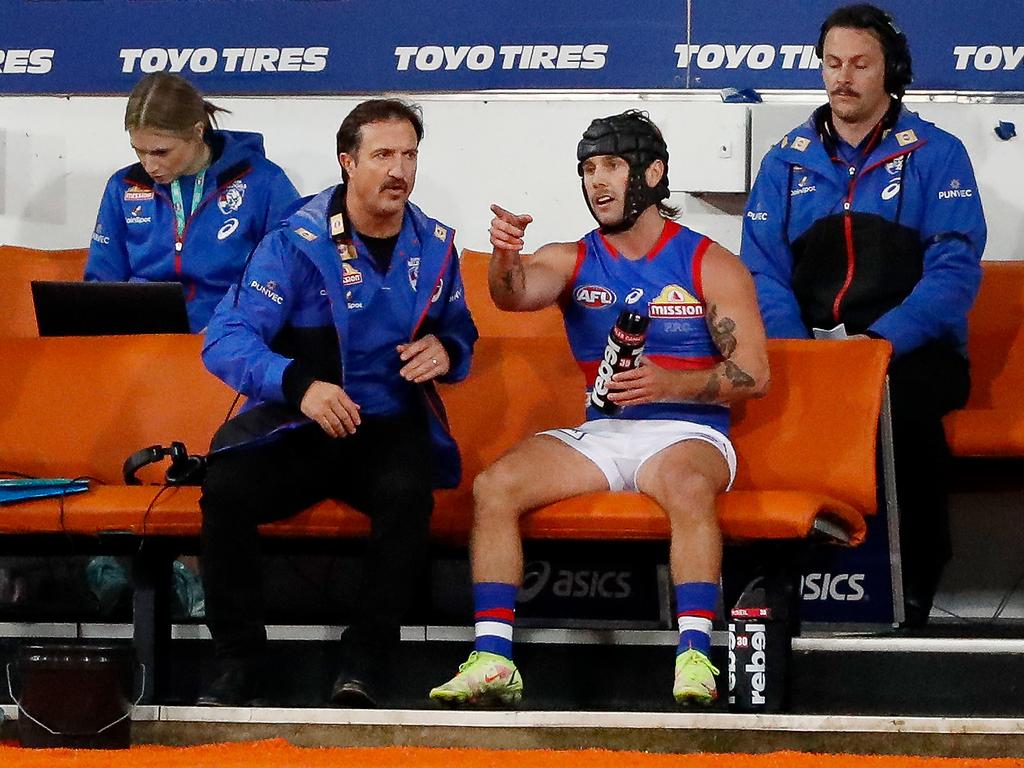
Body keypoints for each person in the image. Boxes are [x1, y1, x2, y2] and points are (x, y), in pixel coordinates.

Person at [429, 111, 769, 707]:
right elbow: (512, 296)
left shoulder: (707, 262)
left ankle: (695, 657)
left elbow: (754, 374)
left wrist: (672, 383)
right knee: (495, 487)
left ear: (653, 173)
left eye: (612, 165)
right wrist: (505, 257)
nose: (597, 182)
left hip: (689, 432)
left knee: (688, 488)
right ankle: (493, 658)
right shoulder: (574, 258)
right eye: (588, 168)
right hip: (605, 431)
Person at [196, 99, 477, 707]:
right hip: (298, 424)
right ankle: (238, 659)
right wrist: (299, 384)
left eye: (409, 155)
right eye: (383, 156)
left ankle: (364, 661)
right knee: (224, 490)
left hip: (386, 427)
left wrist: (447, 351)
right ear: (348, 163)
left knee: (409, 495)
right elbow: (225, 340)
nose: (398, 170)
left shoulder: (436, 247)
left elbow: (459, 328)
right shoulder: (292, 242)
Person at [740, 4, 986, 627]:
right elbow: (761, 271)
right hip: (809, 351)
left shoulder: (938, 153)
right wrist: (802, 353)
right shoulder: (784, 159)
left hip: (909, 354)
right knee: (747, 406)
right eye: (832, 64)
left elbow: (954, 272)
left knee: (898, 411)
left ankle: (909, 591)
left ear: (890, 71)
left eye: (859, 64)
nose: (842, 78)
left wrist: (877, 346)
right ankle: (771, 594)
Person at [86, 72, 299, 332]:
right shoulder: (124, 186)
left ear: (198, 132)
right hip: (141, 341)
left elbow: (289, 273)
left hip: (230, 336)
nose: (149, 165)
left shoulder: (264, 182)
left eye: (161, 152)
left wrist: (240, 323)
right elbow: (101, 281)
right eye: (138, 150)